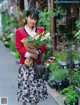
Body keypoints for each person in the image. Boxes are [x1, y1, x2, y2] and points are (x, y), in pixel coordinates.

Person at [15, 8, 48, 105]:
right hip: (24, 65)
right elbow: (19, 47)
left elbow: (43, 46)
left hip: (36, 66)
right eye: (31, 18)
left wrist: (36, 52)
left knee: (35, 93)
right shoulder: (20, 31)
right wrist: (29, 54)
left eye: (35, 19)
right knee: (24, 93)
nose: (32, 21)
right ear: (26, 17)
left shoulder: (40, 30)